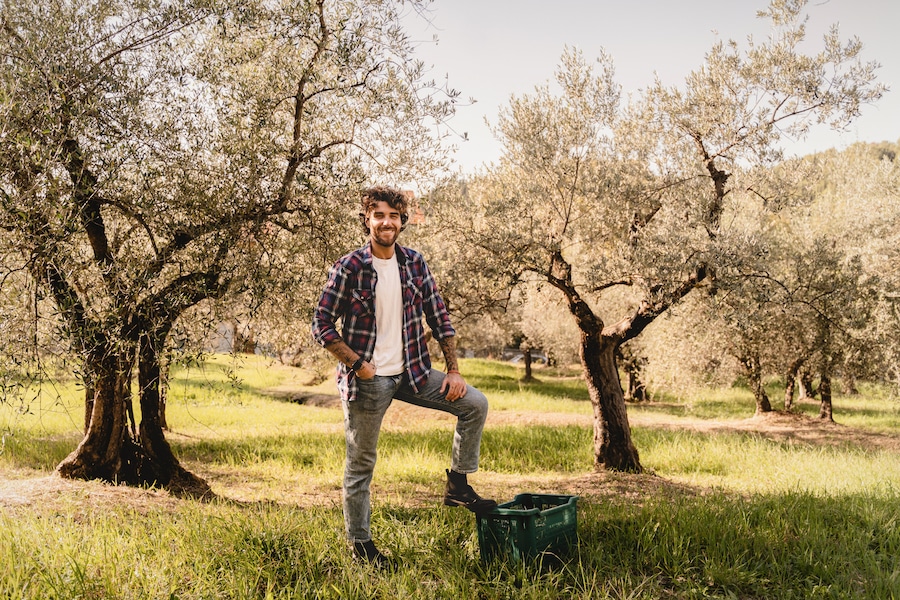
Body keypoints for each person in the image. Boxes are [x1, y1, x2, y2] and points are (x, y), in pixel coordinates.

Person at [312, 186, 497, 567]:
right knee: (360, 465)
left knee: (475, 404)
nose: (387, 222)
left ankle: (458, 485)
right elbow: (321, 325)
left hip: (413, 372)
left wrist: (454, 370)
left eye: (393, 216)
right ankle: (361, 546)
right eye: (379, 215)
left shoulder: (414, 263)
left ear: (402, 221)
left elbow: (439, 317)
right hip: (369, 381)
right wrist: (358, 365)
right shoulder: (350, 266)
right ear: (367, 219)